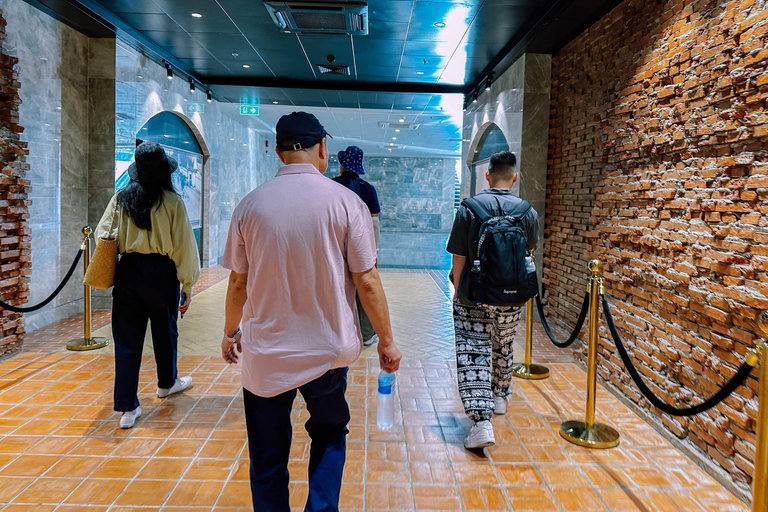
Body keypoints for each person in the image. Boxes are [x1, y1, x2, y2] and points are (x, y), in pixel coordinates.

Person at [220, 111, 402, 512]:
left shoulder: (250, 206)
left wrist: (231, 332)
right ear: (322, 147)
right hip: (328, 354)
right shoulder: (346, 203)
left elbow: (237, 283)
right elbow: (367, 280)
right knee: (329, 434)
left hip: (266, 357)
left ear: (279, 152)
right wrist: (386, 341)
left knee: (267, 456)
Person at [95, 141, 200, 429]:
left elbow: (102, 234)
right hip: (161, 272)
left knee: (127, 340)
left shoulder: (121, 199)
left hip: (128, 271)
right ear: (165, 173)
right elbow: (184, 247)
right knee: (165, 331)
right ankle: (167, 383)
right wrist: (187, 284)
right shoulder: (172, 202)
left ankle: (128, 407)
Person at [446, 150, 538, 449]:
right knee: (503, 343)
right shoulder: (527, 212)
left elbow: (458, 258)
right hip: (511, 296)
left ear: (487, 175)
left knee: (473, 351)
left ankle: (481, 423)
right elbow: (529, 252)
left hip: (474, 296)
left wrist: (458, 295)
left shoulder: (469, 208)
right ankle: (500, 396)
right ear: (514, 177)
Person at [332, 145, 381, 347]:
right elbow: (374, 224)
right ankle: (367, 334)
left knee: (336, 287)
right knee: (364, 286)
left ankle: (338, 334)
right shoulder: (368, 189)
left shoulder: (331, 186)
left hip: (335, 246)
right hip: (361, 246)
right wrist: (373, 252)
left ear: (342, 165)